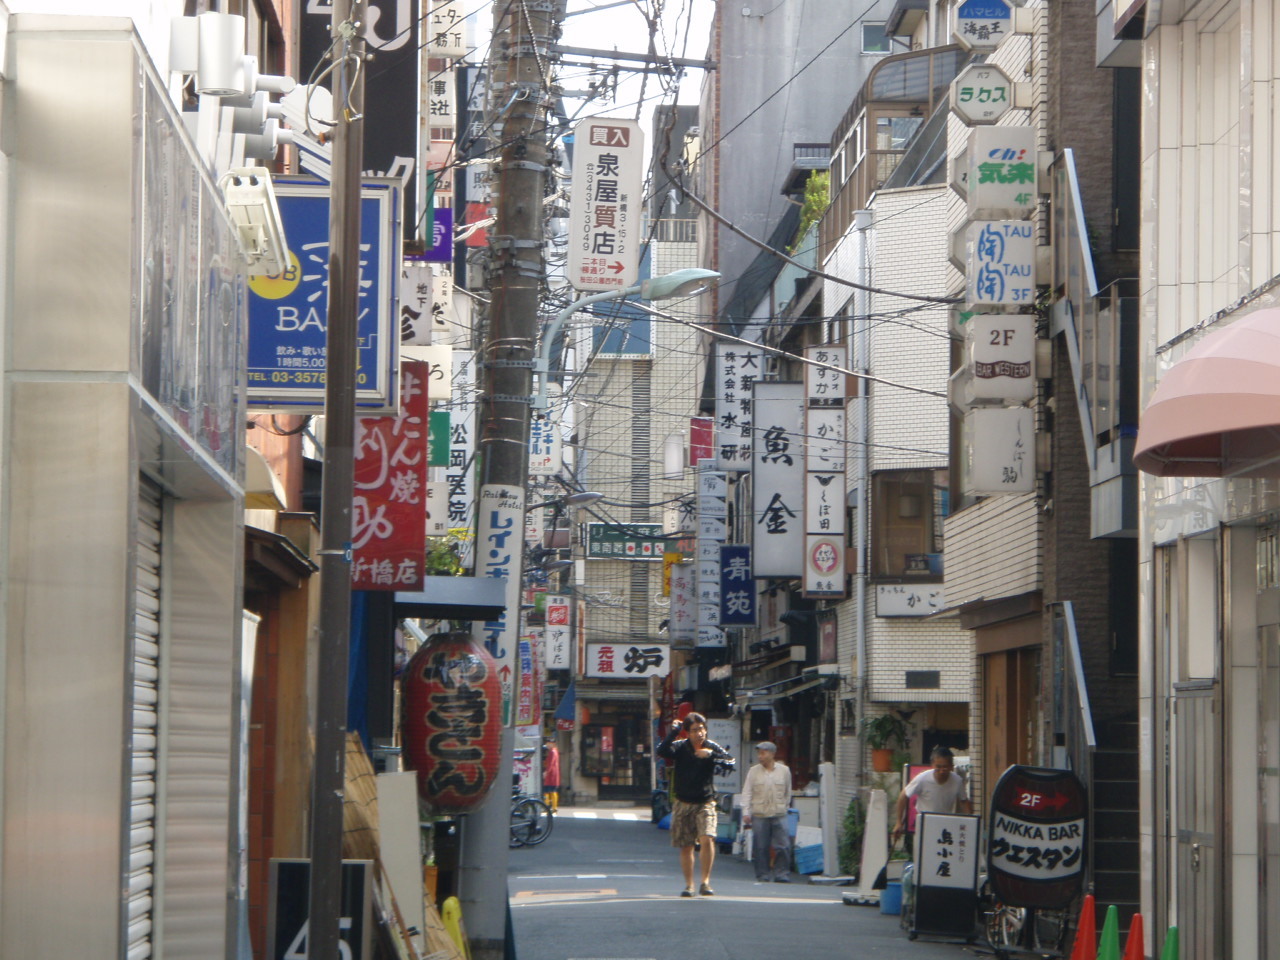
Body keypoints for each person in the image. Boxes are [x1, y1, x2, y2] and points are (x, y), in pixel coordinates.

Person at [655, 712, 735, 897]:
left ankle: (705, 882)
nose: (699, 733)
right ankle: (689, 885)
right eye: (694, 730)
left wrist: (711, 755)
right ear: (687, 733)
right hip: (683, 801)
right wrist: (673, 732)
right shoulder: (680, 746)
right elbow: (662, 751)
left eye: (702, 729)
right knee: (687, 845)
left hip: (705, 801)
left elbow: (730, 761)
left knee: (707, 837)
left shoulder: (711, 747)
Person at [892, 745, 972, 855]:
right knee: (925, 855)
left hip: (945, 824)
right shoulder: (922, 778)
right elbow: (903, 796)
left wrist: (970, 822)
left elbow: (963, 801)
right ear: (932, 765)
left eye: (945, 767)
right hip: (925, 823)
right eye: (938, 767)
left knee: (943, 855)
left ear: (951, 766)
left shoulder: (957, 781)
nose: (942, 771)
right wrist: (898, 822)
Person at [741, 741, 793, 883]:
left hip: (779, 813)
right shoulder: (753, 771)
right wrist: (746, 812)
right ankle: (762, 874)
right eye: (759, 753)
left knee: (783, 846)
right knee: (760, 846)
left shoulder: (784, 771)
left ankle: (781, 874)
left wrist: (784, 807)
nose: (760, 756)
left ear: (772, 754)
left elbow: (788, 792)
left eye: (763, 753)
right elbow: (747, 792)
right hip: (759, 814)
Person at [542, 738, 561, 813]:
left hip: (551, 774)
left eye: (548, 743)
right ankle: (553, 807)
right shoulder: (555, 751)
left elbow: (550, 764)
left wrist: (546, 772)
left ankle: (548, 807)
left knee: (548, 790)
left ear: (552, 744)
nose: (547, 745)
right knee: (552, 790)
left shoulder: (552, 752)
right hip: (553, 774)